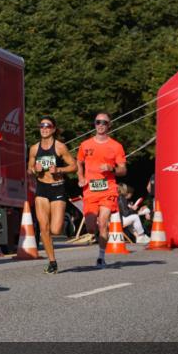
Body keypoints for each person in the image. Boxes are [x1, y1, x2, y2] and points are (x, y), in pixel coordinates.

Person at [76, 112, 127, 268]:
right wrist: (80, 177)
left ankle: (101, 257)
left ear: (109, 125)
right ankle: (95, 233)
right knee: (91, 228)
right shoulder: (85, 145)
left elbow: (123, 170)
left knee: (103, 222)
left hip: (108, 189)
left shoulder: (116, 146)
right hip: (90, 190)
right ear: (94, 124)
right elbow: (79, 162)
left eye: (104, 122)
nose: (101, 125)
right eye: (98, 122)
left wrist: (111, 168)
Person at [26, 115, 77, 273]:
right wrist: (35, 170)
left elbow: (74, 166)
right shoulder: (34, 148)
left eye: (48, 126)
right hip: (42, 189)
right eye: (42, 126)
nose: (44, 128)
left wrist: (59, 169)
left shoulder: (60, 147)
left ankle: (65, 218)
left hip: (57, 187)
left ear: (53, 129)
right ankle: (52, 262)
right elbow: (29, 169)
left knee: (55, 229)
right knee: (44, 228)